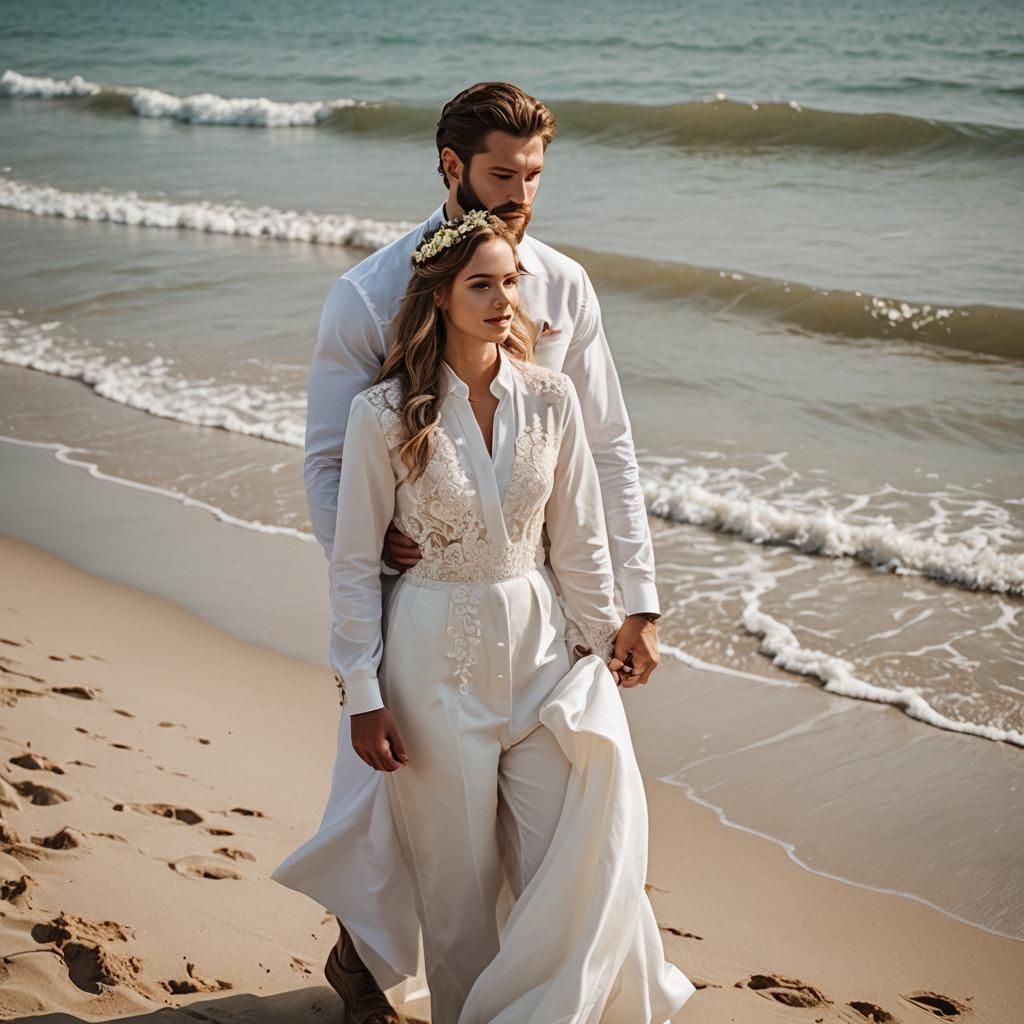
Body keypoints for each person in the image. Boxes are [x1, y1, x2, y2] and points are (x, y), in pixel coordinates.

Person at [275, 81, 670, 1021]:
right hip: (420, 601)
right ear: (452, 166)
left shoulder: (564, 286)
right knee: (397, 814)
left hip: (529, 610)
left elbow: (602, 449)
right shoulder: (368, 293)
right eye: (503, 174)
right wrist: (379, 573)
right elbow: (331, 463)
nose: (523, 193)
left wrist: (634, 600)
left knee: (563, 814)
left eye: (535, 174)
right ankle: (368, 966)